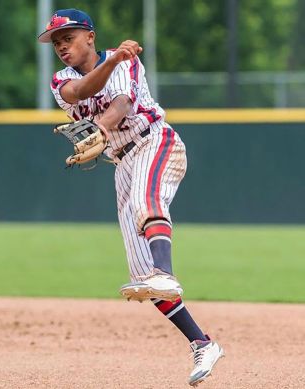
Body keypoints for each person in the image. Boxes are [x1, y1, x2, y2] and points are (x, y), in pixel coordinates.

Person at [38, 8, 224, 386]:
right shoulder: (62, 80)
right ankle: (203, 343)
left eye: (68, 37)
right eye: (56, 41)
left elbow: (121, 105)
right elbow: (80, 91)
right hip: (122, 162)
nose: (61, 46)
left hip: (154, 141)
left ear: (89, 36)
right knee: (143, 276)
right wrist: (105, 133)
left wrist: (101, 130)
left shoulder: (125, 61)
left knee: (146, 204)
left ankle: (167, 272)